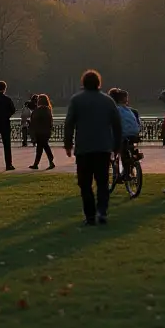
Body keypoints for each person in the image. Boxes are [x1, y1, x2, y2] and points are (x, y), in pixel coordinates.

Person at [63, 69, 122, 225]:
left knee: (85, 184)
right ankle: (102, 212)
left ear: (83, 83)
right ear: (98, 83)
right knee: (103, 182)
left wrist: (68, 144)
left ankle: (90, 216)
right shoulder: (108, 100)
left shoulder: (76, 100)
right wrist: (117, 145)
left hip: (84, 147)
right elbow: (117, 124)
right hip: (103, 147)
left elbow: (69, 123)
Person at [112, 88, 142, 170]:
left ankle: (125, 171)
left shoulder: (116, 110)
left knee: (119, 147)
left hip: (124, 134)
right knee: (129, 147)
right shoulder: (131, 110)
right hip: (135, 133)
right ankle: (134, 157)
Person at [29, 93, 55, 169]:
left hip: (40, 131)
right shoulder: (48, 110)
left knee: (43, 147)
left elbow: (34, 120)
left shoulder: (39, 110)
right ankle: (37, 163)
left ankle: (50, 161)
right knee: (42, 147)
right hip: (46, 131)